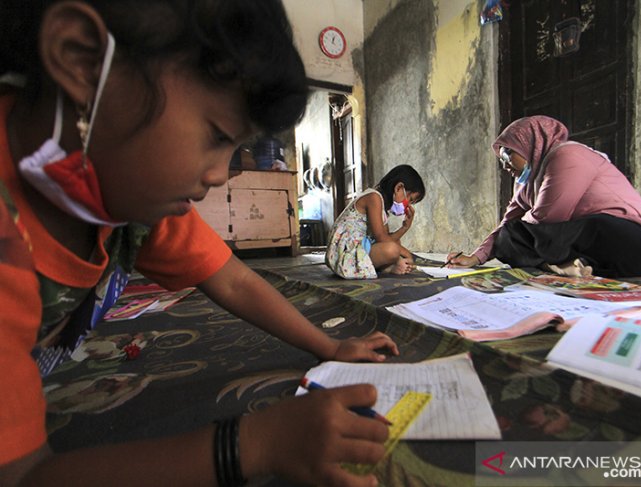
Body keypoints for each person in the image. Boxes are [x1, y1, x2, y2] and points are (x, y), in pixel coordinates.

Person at [0, 2, 399, 486]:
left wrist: (330, 345)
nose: (217, 174)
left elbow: (231, 279)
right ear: (82, 60)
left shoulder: (123, 197)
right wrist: (254, 444)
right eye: (216, 135)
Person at [447, 116, 641, 278]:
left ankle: (559, 264)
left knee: (593, 225)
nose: (505, 165)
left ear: (529, 143)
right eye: (501, 160)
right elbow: (507, 227)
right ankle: (565, 268)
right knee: (509, 235)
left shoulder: (567, 155)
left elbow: (550, 216)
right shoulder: (525, 184)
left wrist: (519, 224)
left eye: (508, 155)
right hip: (606, 258)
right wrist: (476, 258)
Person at [326, 164, 425, 278]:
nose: (408, 205)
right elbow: (382, 238)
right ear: (398, 188)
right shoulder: (374, 198)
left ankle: (387, 266)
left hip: (359, 245)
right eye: (410, 199)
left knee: (396, 244)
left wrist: (405, 227)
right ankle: (387, 267)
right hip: (343, 252)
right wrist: (407, 254)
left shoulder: (382, 205)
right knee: (393, 250)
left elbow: (387, 238)